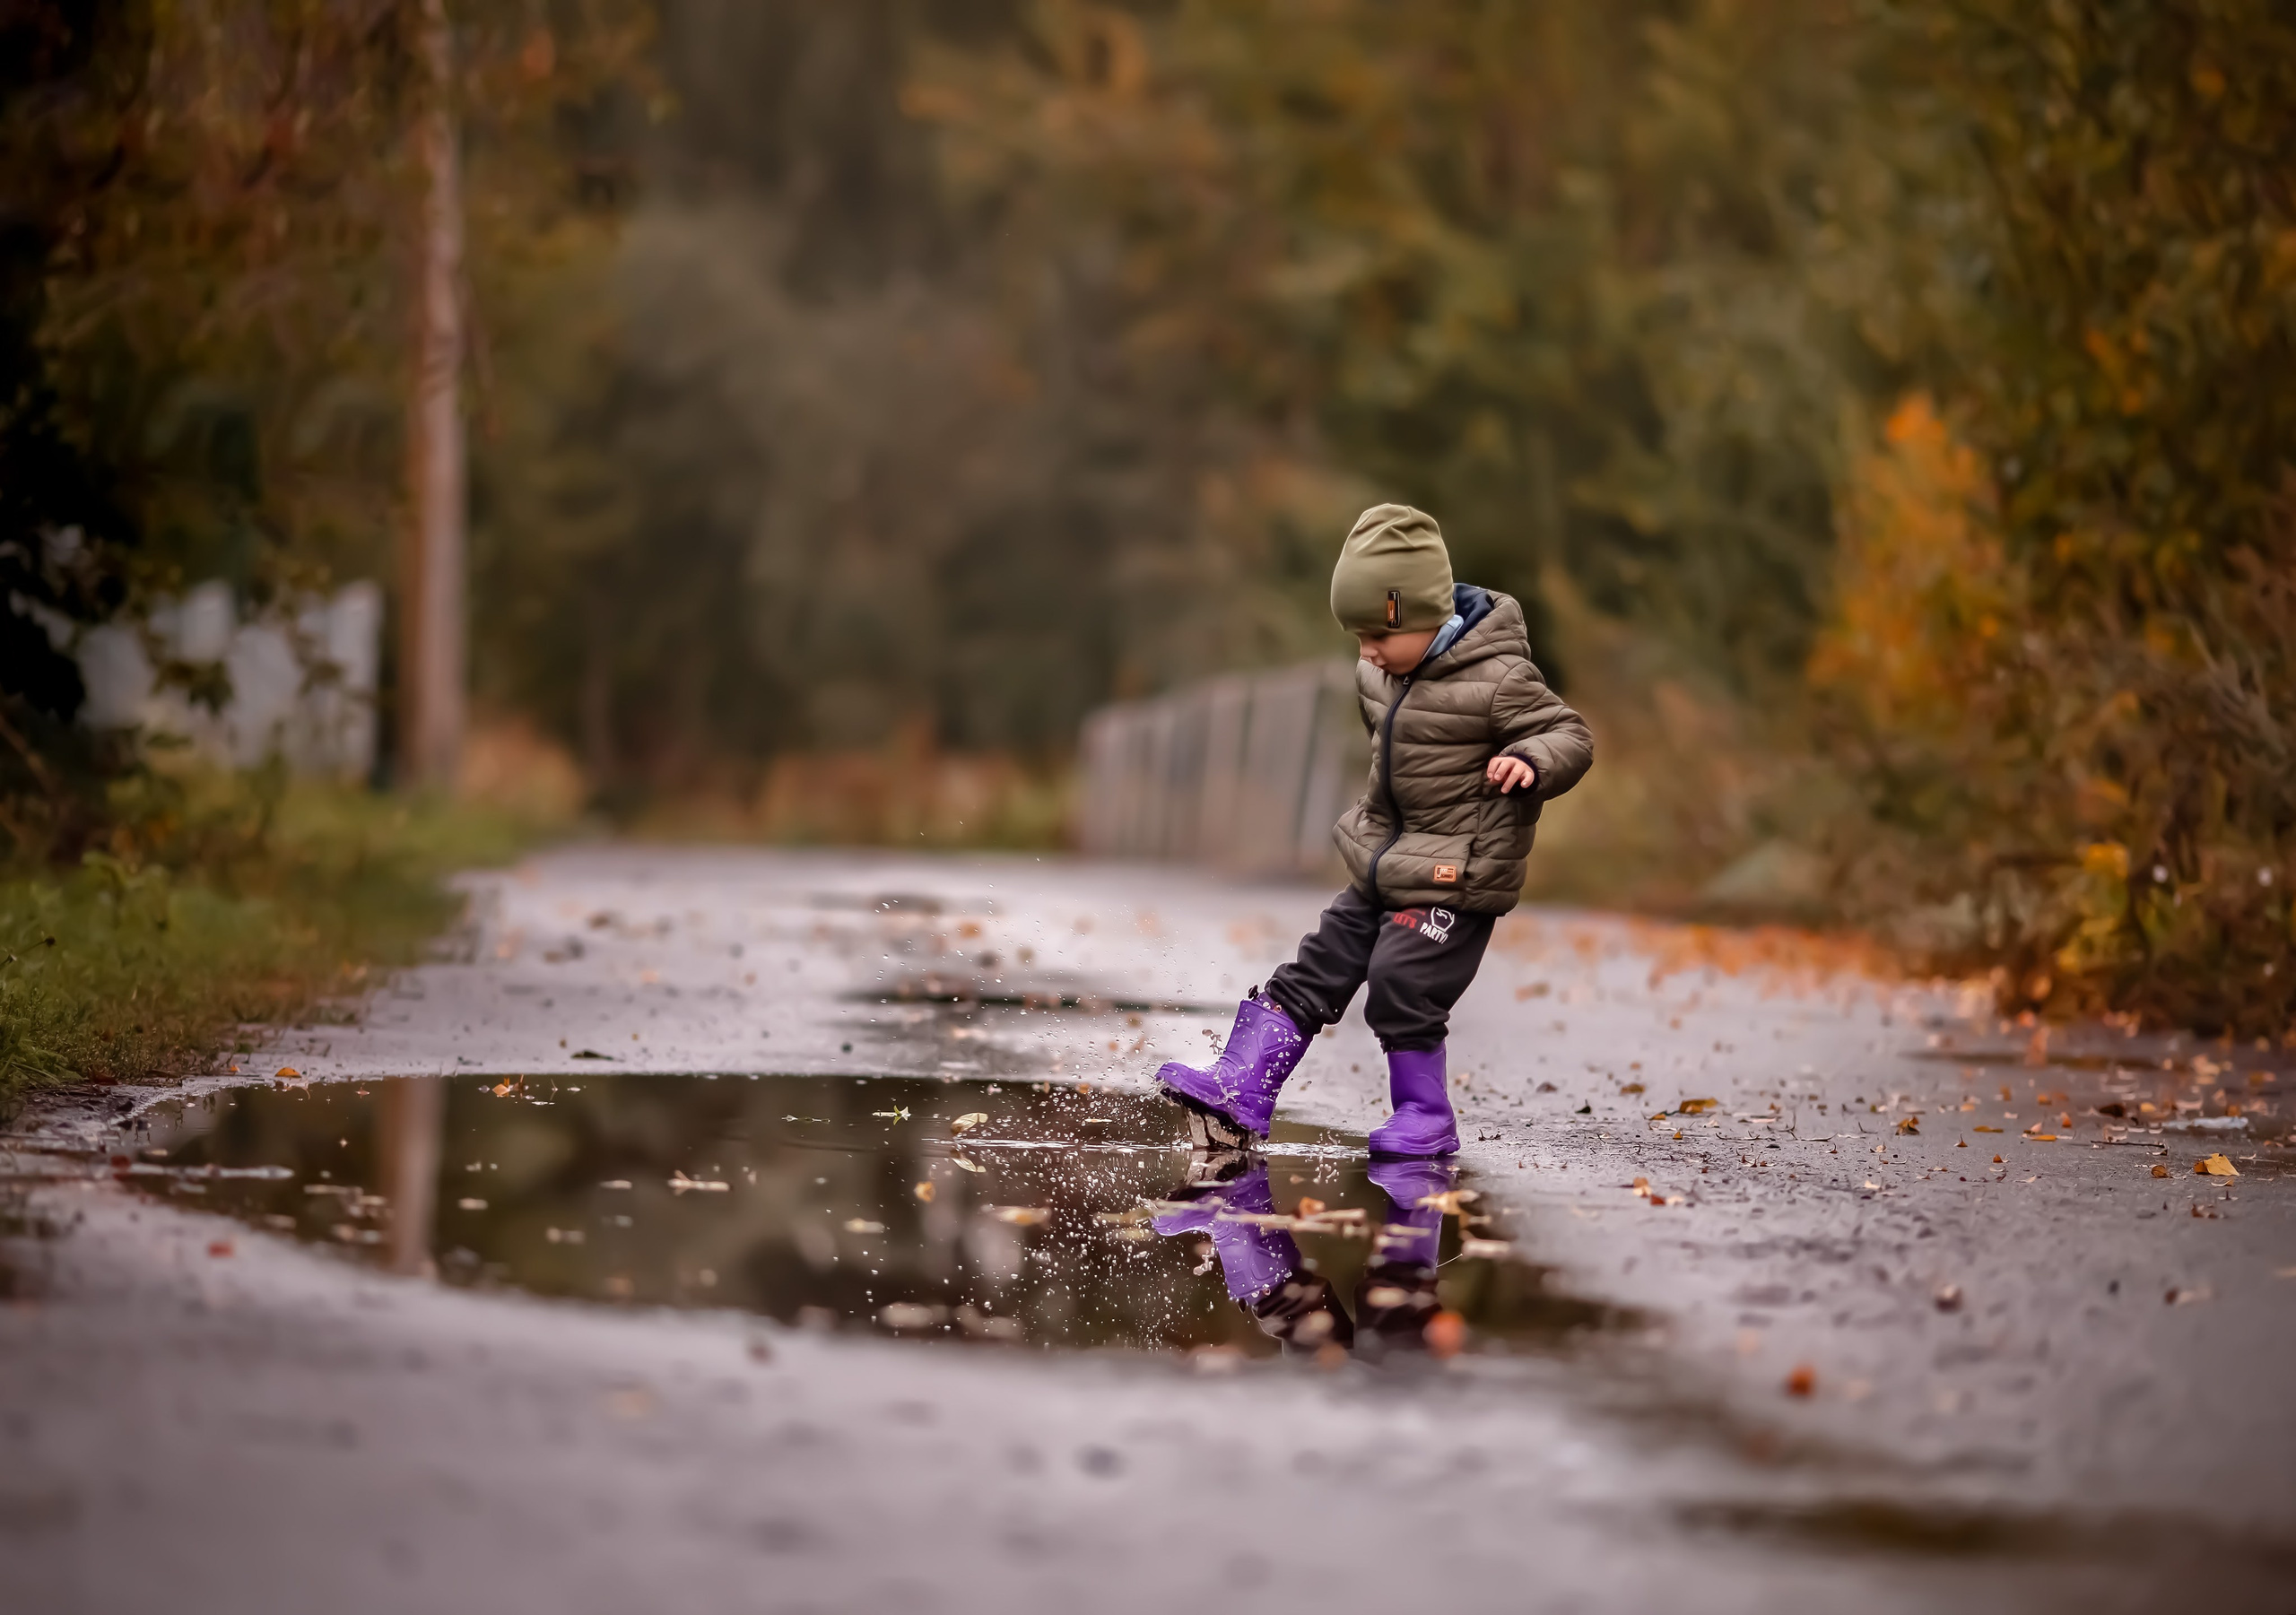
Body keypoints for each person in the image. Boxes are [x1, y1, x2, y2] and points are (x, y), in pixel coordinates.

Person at [1156, 502, 1592, 1158]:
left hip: (1453, 878)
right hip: (1383, 867)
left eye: (1375, 635)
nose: (1366, 651)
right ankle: (1243, 1085)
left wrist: (1530, 759)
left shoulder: (1497, 677)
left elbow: (1570, 734)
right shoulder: (1381, 676)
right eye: (1357, 638)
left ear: (1412, 613)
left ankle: (1425, 1114)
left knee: (1401, 981)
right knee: (1313, 968)